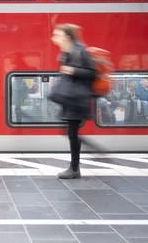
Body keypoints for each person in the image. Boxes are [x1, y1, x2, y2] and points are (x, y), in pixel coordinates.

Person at [50, 23, 96, 179]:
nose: (54, 38)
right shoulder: (69, 51)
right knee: (70, 132)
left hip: (76, 98)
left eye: (57, 35)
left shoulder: (79, 50)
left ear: (67, 37)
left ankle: (75, 168)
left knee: (71, 133)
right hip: (70, 98)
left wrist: (72, 70)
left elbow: (92, 72)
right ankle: (75, 166)